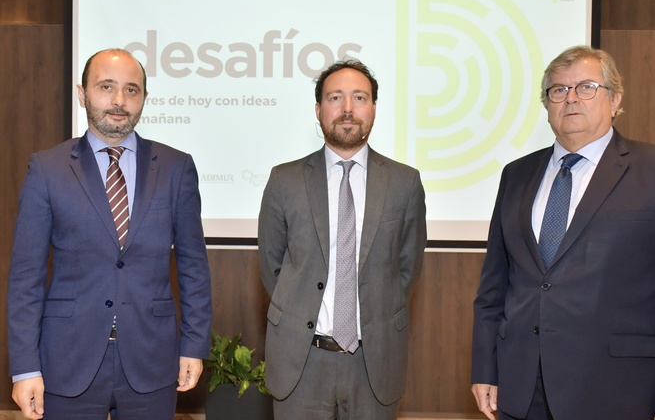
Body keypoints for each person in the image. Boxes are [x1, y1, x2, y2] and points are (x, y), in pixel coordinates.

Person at [471, 45, 655, 420]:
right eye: (558, 90)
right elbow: (494, 287)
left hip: (622, 393)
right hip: (521, 390)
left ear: (615, 99)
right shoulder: (516, 175)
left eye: (586, 87)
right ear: (547, 104)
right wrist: (485, 368)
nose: (571, 98)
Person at [6, 48, 212, 420]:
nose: (119, 101)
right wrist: (25, 367)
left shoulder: (176, 167)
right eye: (106, 87)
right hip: (66, 361)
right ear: (82, 93)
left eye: (131, 90)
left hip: (153, 361)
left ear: (144, 99)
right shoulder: (47, 168)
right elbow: (25, 278)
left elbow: (193, 268)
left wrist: (194, 346)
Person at [258, 59, 427, 419]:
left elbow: (407, 270)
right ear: (318, 110)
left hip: (374, 361)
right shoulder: (284, 180)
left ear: (374, 109)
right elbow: (273, 268)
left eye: (359, 98)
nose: (348, 109)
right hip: (302, 362)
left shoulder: (405, 183)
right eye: (336, 98)